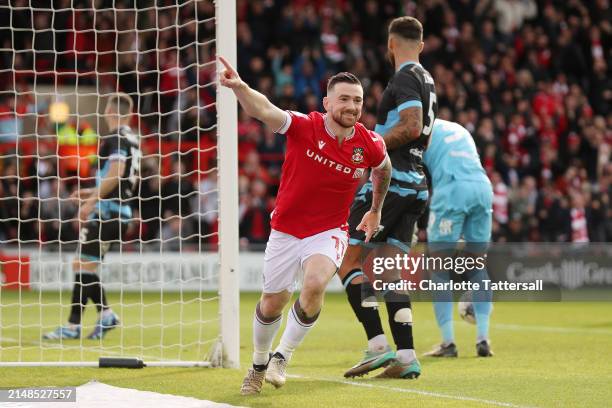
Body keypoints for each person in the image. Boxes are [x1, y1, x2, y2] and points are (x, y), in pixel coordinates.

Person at [217, 56, 392, 395]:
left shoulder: (369, 143)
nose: (352, 106)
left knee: (314, 285)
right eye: (344, 99)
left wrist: (375, 210)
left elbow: (383, 169)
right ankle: (257, 364)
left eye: (357, 100)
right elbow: (264, 110)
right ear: (327, 102)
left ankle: (282, 356)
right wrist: (240, 87)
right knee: (272, 302)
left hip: (328, 231)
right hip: (285, 230)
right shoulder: (303, 125)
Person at [338, 16, 437, 379]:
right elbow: (420, 129)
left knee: (348, 262)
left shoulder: (404, 77)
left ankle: (377, 345)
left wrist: (372, 146)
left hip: (392, 182)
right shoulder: (427, 79)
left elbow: (411, 125)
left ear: (391, 44)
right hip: (416, 185)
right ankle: (407, 356)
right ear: (421, 45)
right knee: (388, 271)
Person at [43, 93, 141, 341]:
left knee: (82, 264)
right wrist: (92, 192)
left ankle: (91, 319)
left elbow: (117, 172)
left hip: (108, 213)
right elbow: (125, 178)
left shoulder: (116, 137)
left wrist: (92, 200)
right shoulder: (132, 138)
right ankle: (86, 321)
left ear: (109, 111)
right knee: (83, 264)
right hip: (120, 210)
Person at [422, 119, 494, 358]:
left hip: (452, 189)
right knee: (477, 264)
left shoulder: (419, 128)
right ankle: (483, 338)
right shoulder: (460, 128)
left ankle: (448, 343)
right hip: (483, 187)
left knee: (438, 267)